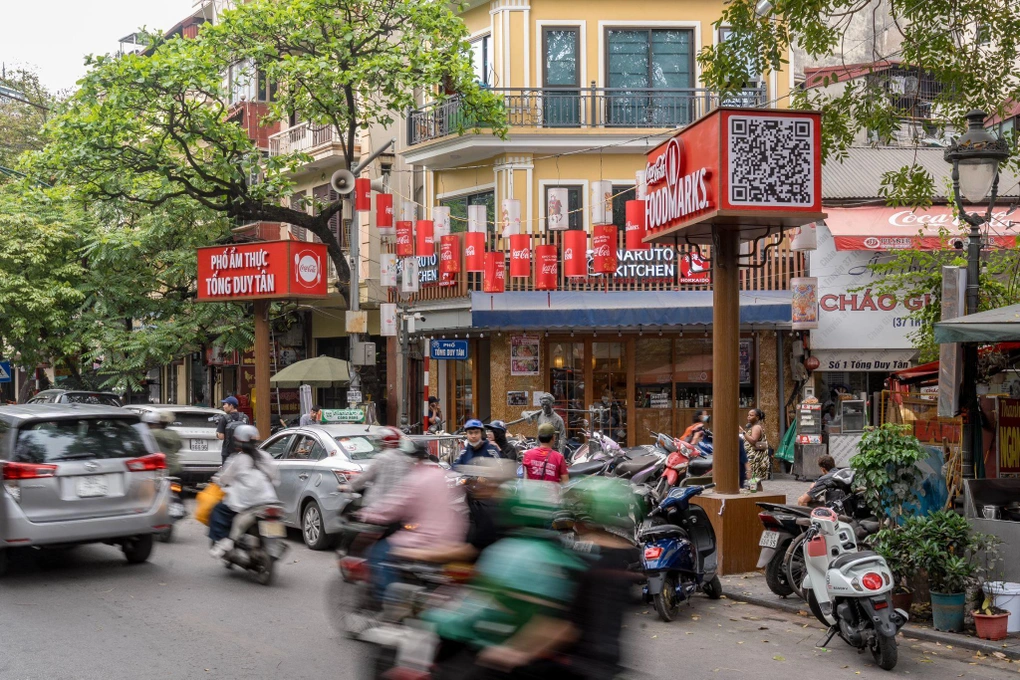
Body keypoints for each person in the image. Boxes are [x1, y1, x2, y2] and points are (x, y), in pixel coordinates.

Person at [359, 440, 467, 602]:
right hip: (453, 536)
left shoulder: (415, 479)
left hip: (424, 539)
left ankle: (392, 602)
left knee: (377, 554)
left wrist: (366, 514)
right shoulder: (442, 475)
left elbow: (393, 507)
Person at [394, 457, 517, 564]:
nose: (472, 483)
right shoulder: (483, 504)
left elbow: (469, 551)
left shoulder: (489, 511)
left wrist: (418, 554)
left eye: (476, 479)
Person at [209, 424, 280, 557]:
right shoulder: (266, 456)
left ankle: (223, 542)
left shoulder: (237, 459)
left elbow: (224, 478)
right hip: (269, 500)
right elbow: (275, 478)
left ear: (237, 441)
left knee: (219, 510)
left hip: (247, 503)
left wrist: (217, 481)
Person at [346, 426, 412, 509]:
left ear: (385, 442)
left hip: (377, 505)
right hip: (399, 506)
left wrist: (349, 486)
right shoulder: (405, 460)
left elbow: (364, 477)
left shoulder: (381, 458)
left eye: (380, 440)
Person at [142, 411, 182, 476]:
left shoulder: (151, 433)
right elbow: (178, 448)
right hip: (175, 468)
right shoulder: (174, 434)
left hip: (160, 470)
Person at [742, 408, 770, 489]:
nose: (748, 417)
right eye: (748, 415)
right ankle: (759, 495)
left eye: (751, 415)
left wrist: (743, 432)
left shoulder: (756, 427)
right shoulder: (755, 426)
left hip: (755, 459)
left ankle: (754, 495)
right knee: (757, 482)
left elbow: (753, 441)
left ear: (757, 417)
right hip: (756, 458)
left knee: (753, 481)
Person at [215, 396, 249, 464]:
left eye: (225, 404)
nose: (223, 406)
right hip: (242, 453)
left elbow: (221, 436)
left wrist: (217, 434)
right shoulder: (245, 417)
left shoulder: (224, 418)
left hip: (228, 453)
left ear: (231, 406)